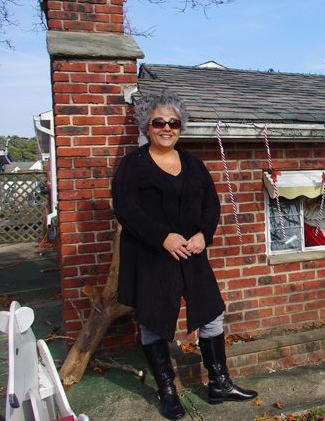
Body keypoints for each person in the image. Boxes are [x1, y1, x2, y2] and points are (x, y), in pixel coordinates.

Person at [112, 90, 257, 420]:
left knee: (211, 313)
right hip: (151, 256)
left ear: (181, 126)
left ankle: (219, 383)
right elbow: (126, 210)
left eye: (173, 122)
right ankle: (167, 391)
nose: (167, 128)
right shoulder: (132, 165)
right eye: (159, 122)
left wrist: (204, 235)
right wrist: (162, 237)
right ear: (146, 126)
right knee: (153, 320)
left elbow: (211, 205)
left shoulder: (193, 164)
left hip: (192, 254)